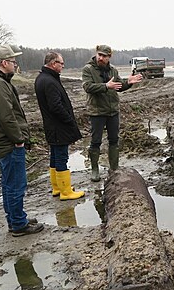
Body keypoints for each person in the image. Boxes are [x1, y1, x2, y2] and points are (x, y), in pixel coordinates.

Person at [0, 45, 44, 237]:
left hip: (2, 141)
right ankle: (18, 224)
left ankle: (16, 218)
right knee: (16, 184)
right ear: (4, 63)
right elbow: (6, 116)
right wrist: (18, 140)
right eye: (13, 61)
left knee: (10, 183)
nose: (16, 65)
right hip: (8, 143)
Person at [81, 44, 143, 182]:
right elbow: (87, 87)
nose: (101, 58)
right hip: (97, 111)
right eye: (99, 55)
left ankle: (114, 168)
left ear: (109, 57)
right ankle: (95, 170)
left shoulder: (113, 70)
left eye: (104, 56)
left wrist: (128, 82)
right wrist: (105, 86)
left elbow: (119, 86)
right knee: (95, 141)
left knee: (114, 139)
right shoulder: (88, 69)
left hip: (113, 111)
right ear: (96, 54)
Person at [34, 52, 85, 200]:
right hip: (58, 127)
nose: (63, 66)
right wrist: (69, 119)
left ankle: (57, 187)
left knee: (55, 156)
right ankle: (66, 192)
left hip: (52, 126)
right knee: (61, 157)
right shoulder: (49, 81)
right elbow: (55, 106)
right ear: (52, 63)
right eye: (61, 63)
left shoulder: (42, 78)